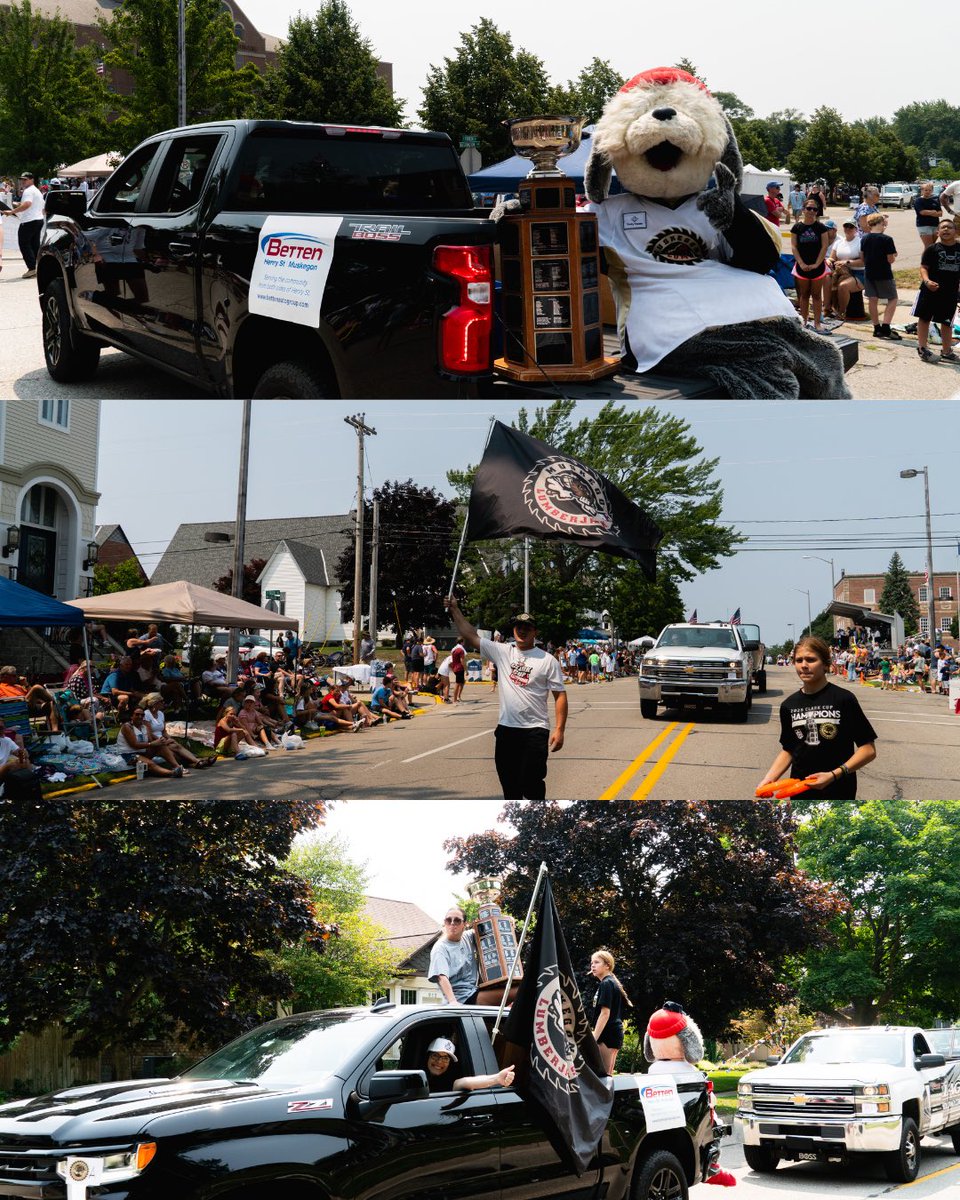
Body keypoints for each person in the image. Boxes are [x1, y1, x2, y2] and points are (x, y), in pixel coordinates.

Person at [444, 600, 567, 801]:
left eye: (527, 627)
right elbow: (471, 635)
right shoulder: (503, 652)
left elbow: (560, 695)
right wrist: (455, 609)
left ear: (535, 632)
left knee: (532, 784)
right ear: (513, 630)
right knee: (510, 787)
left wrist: (560, 730)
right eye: (519, 627)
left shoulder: (547, 660)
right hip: (507, 731)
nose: (522, 631)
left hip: (535, 731)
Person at [758, 636, 877, 799]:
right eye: (799, 660)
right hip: (800, 792)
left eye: (811, 660)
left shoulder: (844, 699)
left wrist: (834, 775)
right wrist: (769, 779)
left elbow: (868, 750)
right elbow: (789, 750)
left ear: (826, 664)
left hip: (839, 791)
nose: (804, 665)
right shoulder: (788, 705)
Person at [914, 218, 959, 364]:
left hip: (950, 291)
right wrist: (927, 281)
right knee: (924, 318)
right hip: (930, 290)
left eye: (949, 227)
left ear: (956, 232)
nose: (946, 229)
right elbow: (923, 267)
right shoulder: (932, 249)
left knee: (947, 322)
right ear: (937, 232)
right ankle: (923, 349)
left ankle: (946, 351)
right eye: (943, 227)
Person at [790, 201, 832, 335]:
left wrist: (817, 263)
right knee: (804, 294)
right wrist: (801, 263)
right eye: (809, 208)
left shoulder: (821, 227)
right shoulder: (797, 227)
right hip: (802, 265)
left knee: (816, 295)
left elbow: (824, 246)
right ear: (803, 209)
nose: (812, 211)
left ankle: (817, 323)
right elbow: (794, 246)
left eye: (814, 209)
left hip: (817, 266)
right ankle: (804, 321)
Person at [589, 950, 632, 1074]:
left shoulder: (607, 983)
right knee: (606, 1076)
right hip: (611, 1033)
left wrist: (594, 1038)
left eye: (597, 962)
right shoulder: (609, 982)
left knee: (603, 1077)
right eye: (591, 963)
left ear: (607, 965)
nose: (593, 965)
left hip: (607, 1035)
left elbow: (605, 1014)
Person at [861, 212, 901, 340]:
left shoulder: (864, 238)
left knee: (873, 299)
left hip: (869, 272)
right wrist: (894, 255)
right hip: (884, 273)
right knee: (893, 298)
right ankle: (886, 327)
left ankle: (876, 327)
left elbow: (862, 257)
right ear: (881, 223)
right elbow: (890, 259)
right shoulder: (887, 239)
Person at [423, 1038, 515, 1093]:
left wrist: (497, 1078)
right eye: (435, 1055)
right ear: (427, 1056)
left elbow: (465, 1082)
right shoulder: (416, 1075)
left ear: (449, 1063)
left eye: (445, 1058)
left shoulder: (450, 1083)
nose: (439, 1061)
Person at [115, 707, 187, 778]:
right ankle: (173, 773)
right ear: (131, 716)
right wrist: (152, 744)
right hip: (130, 754)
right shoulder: (127, 727)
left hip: (142, 752)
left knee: (160, 745)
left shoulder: (144, 727)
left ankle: (177, 766)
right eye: (137, 714)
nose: (140, 717)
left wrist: (162, 741)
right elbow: (134, 745)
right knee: (150, 763)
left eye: (142, 715)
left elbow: (151, 740)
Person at [428, 906, 478, 1004]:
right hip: (461, 998)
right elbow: (441, 976)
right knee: (510, 992)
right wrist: (453, 1002)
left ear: (464, 924)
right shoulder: (440, 948)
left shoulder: (468, 937)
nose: (452, 923)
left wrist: (505, 921)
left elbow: (488, 929)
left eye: (457, 920)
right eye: (448, 920)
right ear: (444, 923)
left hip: (475, 990)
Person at [142, 694, 208, 767]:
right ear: (155, 703)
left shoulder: (161, 714)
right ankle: (196, 761)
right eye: (161, 701)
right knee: (175, 749)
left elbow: (164, 731)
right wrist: (163, 741)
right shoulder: (146, 714)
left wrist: (170, 739)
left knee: (176, 745)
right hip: (155, 742)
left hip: (162, 740)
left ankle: (195, 762)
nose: (163, 703)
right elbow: (149, 733)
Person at [3, 171, 44, 278]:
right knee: (34, 244)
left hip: (29, 221)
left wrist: (12, 211)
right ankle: (38, 267)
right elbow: (38, 205)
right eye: (22, 179)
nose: (22, 181)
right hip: (38, 219)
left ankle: (32, 268)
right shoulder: (37, 191)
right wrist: (19, 204)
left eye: (25, 179)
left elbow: (27, 204)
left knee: (24, 244)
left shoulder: (28, 191)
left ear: (32, 180)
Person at [0, 665, 60, 731]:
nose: (16, 677)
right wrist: (19, 700)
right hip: (17, 708)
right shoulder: (1, 688)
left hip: (29, 706)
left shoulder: (18, 686)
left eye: (16, 675)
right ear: (5, 676)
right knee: (36, 687)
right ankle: (59, 706)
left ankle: (55, 731)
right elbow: (5, 702)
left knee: (50, 704)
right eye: (14, 676)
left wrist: (26, 684)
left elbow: (32, 695)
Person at [827, 220, 865, 319]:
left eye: (851, 227)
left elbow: (863, 261)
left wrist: (847, 262)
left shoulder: (860, 242)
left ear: (856, 229)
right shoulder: (838, 242)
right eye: (846, 226)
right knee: (826, 279)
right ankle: (827, 308)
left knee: (843, 286)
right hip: (841, 272)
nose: (848, 229)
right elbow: (832, 258)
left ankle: (841, 312)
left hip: (859, 273)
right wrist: (829, 261)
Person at [0, 718, 30, 784]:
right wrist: (7, 766)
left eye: (2, 728)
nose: (2, 731)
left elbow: (19, 752)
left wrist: (24, 755)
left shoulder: (6, 741)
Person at [913, 182, 942, 250]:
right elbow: (922, 212)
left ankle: (930, 257)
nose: (928, 192)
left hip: (935, 225)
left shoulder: (935, 201)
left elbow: (940, 213)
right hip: (924, 225)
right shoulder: (918, 200)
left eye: (930, 190)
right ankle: (925, 257)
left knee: (932, 246)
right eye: (926, 190)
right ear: (922, 191)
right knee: (928, 246)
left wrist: (929, 212)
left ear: (932, 191)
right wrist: (933, 212)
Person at [450, 637, 467, 703]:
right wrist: (466, 669)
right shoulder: (461, 650)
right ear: (462, 642)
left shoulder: (454, 649)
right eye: (464, 641)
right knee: (457, 684)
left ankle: (458, 697)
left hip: (455, 668)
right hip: (459, 668)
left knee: (462, 682)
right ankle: (455, 699)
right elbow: (462, 661)